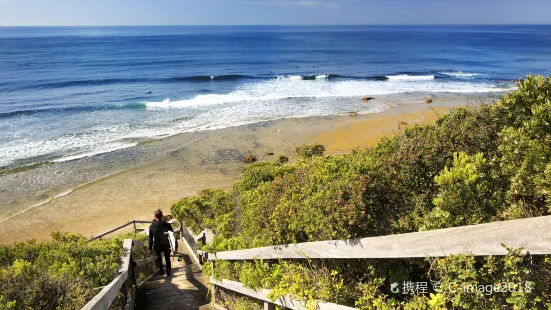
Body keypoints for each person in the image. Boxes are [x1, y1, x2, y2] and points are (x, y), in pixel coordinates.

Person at [148, 209, 175, 276]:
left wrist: (150, 248)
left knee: (159, 258)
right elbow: (172, 236)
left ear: (155, 217)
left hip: (157, 245)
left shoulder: (151, 226)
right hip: (166, 244)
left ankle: (161, 271)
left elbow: (150, 238)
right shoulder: (167, 225)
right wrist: (175, 246)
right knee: (167, 258)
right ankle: (168, 272)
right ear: (162, 216)